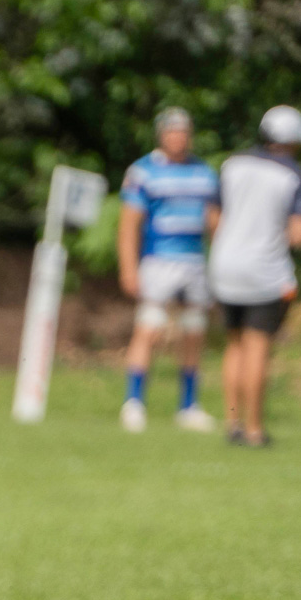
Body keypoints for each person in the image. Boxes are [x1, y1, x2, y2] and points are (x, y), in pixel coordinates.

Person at [209, 105, 301, 447]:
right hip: (265, 272)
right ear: (292, 140)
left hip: (224, 266)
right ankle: (255, 429)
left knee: (234, 345)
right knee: (257, 347)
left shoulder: (231, 164)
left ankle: (232, 422)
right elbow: (299, 234)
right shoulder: (294, 176)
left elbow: (213, 217)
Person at [116, 108, 221, 434]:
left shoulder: (204, 173)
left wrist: (220, 262)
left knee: (193, 330)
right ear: (162, 134)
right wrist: (129, 268)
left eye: (184, 131)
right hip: (159, 258)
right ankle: (134, 402)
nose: (178, 137)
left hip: (194, 261)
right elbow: (129, 224)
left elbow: (214, 222)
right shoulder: (143, 171)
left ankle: (188, 405)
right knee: (150, 328)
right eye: (172, 131)